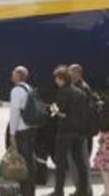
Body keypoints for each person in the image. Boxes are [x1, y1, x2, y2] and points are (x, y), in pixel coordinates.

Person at [49, 65, 90, 196]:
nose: (55, 81)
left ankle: (59, 191)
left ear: (61, 79)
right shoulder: (80, 92)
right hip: (79, 132)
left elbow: (63, 113)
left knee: (60, 162)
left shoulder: (63, 92)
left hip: (65, 132)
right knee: (80, 162)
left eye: (56, 78)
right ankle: (83, 190)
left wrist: (54, 110)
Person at [68, 64, 97, 196]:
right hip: (79, 132)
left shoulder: (81, 89)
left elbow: (84, 113)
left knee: (79, 163)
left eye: (71, 73)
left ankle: (84, 191)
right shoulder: (80, 87)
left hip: (79, 133)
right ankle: (81, 190)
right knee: (77, 162)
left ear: (78, 74)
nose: (69, 75)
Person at [8, 66, 36, 196]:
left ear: (19, 75)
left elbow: (15, 112)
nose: (11, 76)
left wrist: (12, 133)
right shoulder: (29, 88)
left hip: (21, 130)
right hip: (30, 129)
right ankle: (31, 190)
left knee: (22, 163)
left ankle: (25, 191)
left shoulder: (16, 91)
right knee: (29, 162)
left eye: (13, 73)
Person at [94, 89, 109, 196]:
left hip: (107, 135)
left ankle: (107, 191)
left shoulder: (106, 102)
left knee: (104, 165)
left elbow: (104, 121)